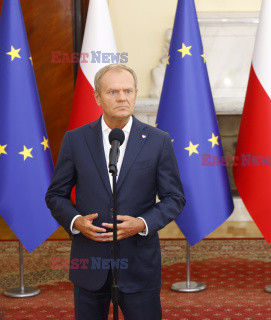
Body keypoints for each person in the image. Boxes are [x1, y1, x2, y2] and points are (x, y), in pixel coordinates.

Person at [45, 64, 185, 320]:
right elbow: (55, 195)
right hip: (90, 264)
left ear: (135, 93)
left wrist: (142, 223)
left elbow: (175, 198)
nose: (122, 97)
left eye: (128, 90)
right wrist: (76, 222)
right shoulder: (75, 140)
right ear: (97, 97)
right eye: (112, 92)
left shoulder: (158, 140)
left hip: (139, 264)